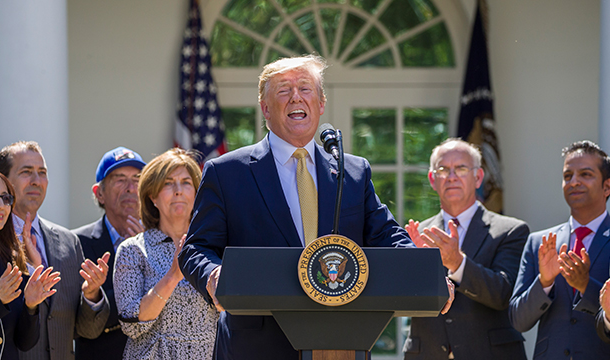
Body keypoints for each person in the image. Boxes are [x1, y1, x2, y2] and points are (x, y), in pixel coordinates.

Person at [179, 55, 453, 360]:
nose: (296, 96)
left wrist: (427, 275)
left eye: (305, 88)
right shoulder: (227, 172)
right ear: (265, 108)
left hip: (340, 339)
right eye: (283, 90)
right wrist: (213, 274)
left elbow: (388, 236)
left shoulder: (353, 171)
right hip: (255, 346)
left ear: (321, 103)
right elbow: (195, 248)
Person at [403, 139, 528, 359]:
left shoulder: (510, 231)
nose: (451, 176)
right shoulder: (417, 234)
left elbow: (504, 294)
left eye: (461, 168)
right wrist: (417, 268)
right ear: (432, 179)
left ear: (478, 177)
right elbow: (403, 302)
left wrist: (457, 263)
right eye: (443, 169)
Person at [0, 141, 111, 360]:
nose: (36, 181)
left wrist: (92, 294)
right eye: (26, 172)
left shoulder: (68, 242)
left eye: (42, 172)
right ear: (3, 182)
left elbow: (87, 330)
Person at [114, 148, 219, 359]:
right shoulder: (133, 250)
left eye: (186, 183)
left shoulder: (216, 246)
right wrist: (173, 275)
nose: (178, 190)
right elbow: (131, 325)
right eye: (168, 183)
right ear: (152, 196)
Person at [509, 140, 610, 358]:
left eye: (585, 174)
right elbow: (518, 320)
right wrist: (544, 283)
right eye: (567, 176)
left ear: (607, 187)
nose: (574, 182)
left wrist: (585, 286)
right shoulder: (539, 242)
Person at [0, 167, 60, 359]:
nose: (2, 205)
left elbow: (25, 343)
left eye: (7, 199)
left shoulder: (11, 264)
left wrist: (31, 306)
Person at [73, 147, 146, 360]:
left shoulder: (162, 241)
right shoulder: (76, 243)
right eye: (120, 179)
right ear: (99, 193)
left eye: (137, 179)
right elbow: (77, 320)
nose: (131, 188)